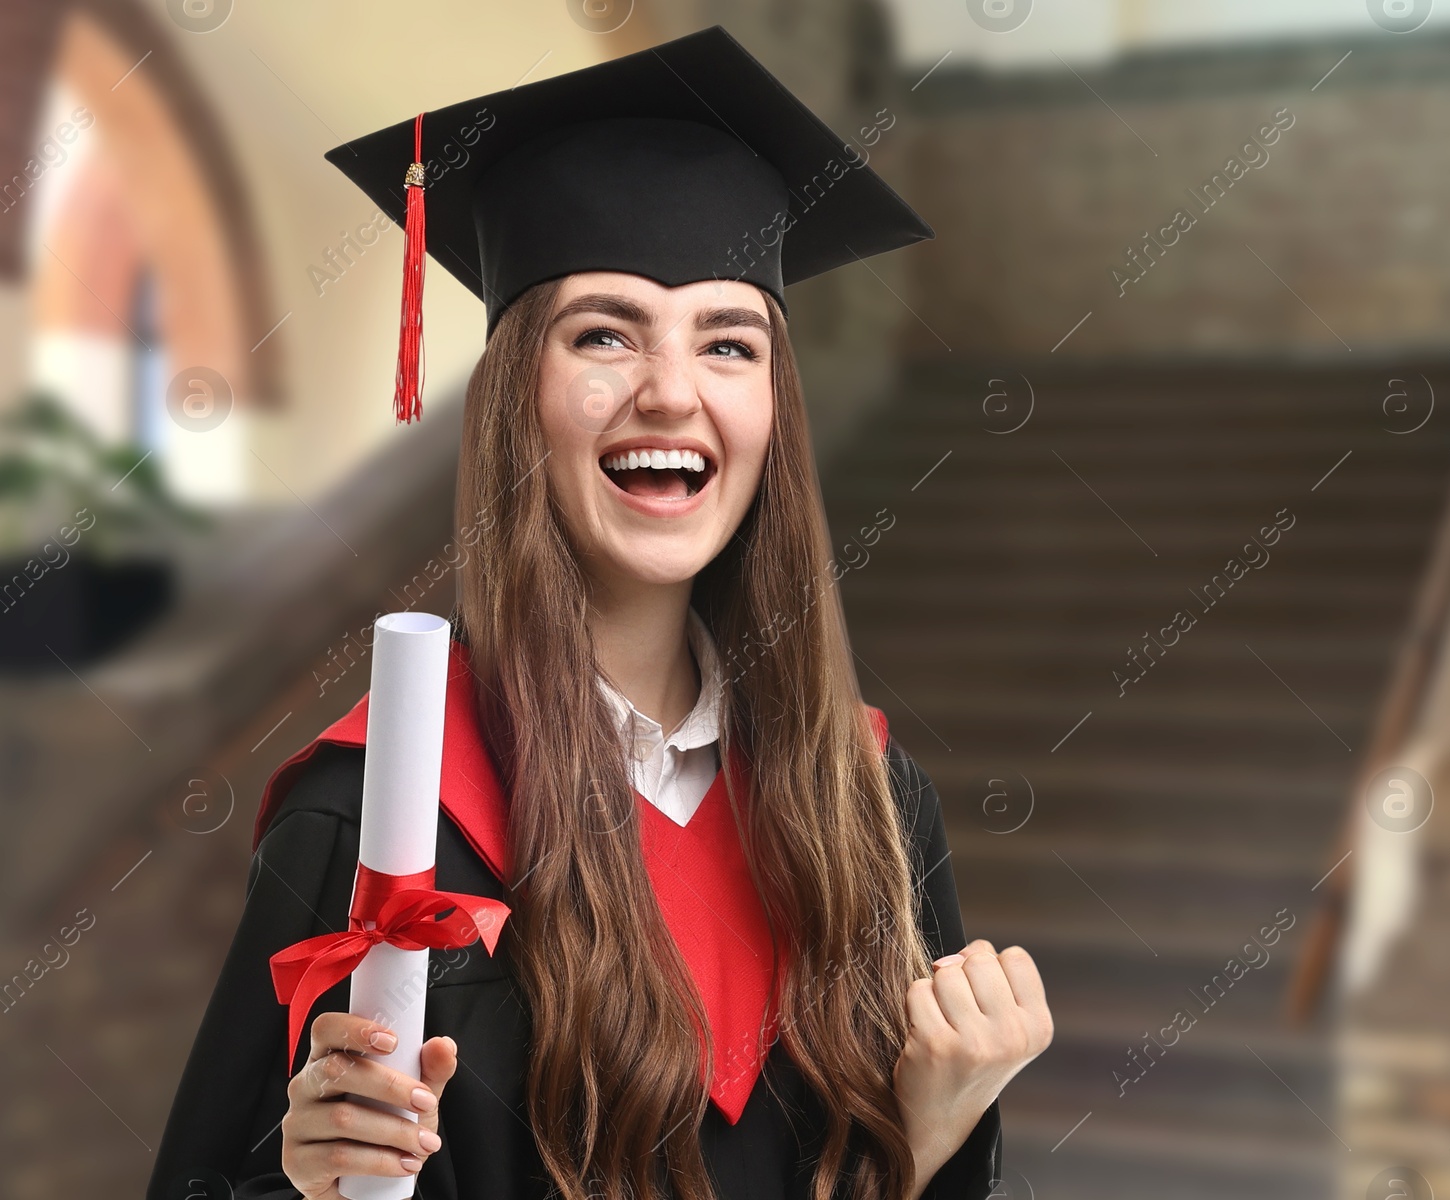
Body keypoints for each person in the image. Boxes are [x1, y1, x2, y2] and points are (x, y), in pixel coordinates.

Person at [147, 25, 1052, 1200]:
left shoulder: (871, 804)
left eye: (730, 344)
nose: (672, 389)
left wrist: (936, 1138)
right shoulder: (378, 817)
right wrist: (319, 1183)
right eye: (604, 334)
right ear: (517, 395)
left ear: (773, 410)